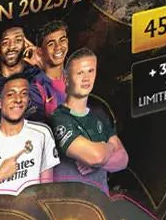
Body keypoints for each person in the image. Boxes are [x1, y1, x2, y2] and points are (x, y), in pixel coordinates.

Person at [50, 48, 127, 193]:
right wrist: (110, 147)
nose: (86, 78)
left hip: (101, 202)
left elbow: (123, 159)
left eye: (91, 71)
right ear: (66, 79)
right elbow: (95, 157)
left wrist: (100, 160)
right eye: (80, 73)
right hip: (70, 202)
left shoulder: (99, 114)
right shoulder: (58, 118)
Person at [0, 26, 57, 120]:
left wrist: (45, 65)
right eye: (5, 42)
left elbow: (63, 103)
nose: (11, 46)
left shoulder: (39, 75)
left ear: (26, 45)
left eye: (18, 40)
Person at [36, 20, 70, 106]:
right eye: (51, 44)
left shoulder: (75, 77)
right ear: (40, 52)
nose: (58, 47)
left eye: (62, 40)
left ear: (67, 42)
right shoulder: (37, 87)